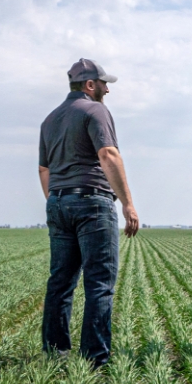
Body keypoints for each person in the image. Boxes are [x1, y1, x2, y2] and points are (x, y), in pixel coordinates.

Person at [38, 58, 140, 368]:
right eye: (104, 83)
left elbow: (44, 170)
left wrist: (58, 201)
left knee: (60, 281)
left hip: (58, 200)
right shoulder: (95, 110)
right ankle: (95, 358)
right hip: (93, 202)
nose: (108, 89)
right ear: (90, 85)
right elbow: (108, 154)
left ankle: (55, 354)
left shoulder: (50, 119)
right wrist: (127, 203)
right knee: (99, 283)